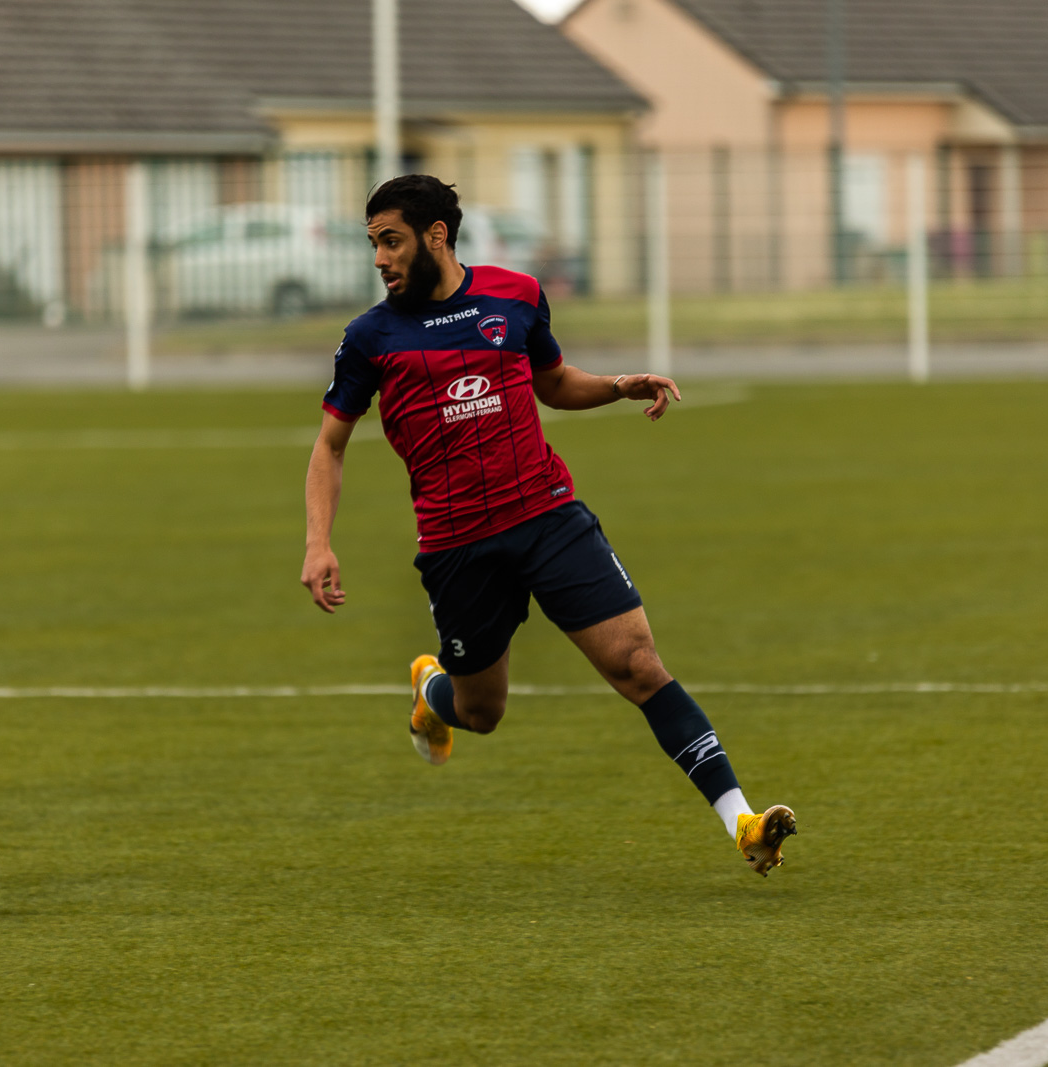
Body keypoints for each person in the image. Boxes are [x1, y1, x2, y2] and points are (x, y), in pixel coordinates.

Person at [300, 175, 795, 876]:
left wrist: (618, 385)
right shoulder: (369, 338)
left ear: (436, 236)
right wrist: (319, 543)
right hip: (458, 544)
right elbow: (330, 445)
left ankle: (741, 821)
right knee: (482, 711)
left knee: (638, 664)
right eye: (374, 243)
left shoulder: (516, 295)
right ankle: (432, 691)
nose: (379, 258)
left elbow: (553, 382)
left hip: (548, 515)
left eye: (391, 241)